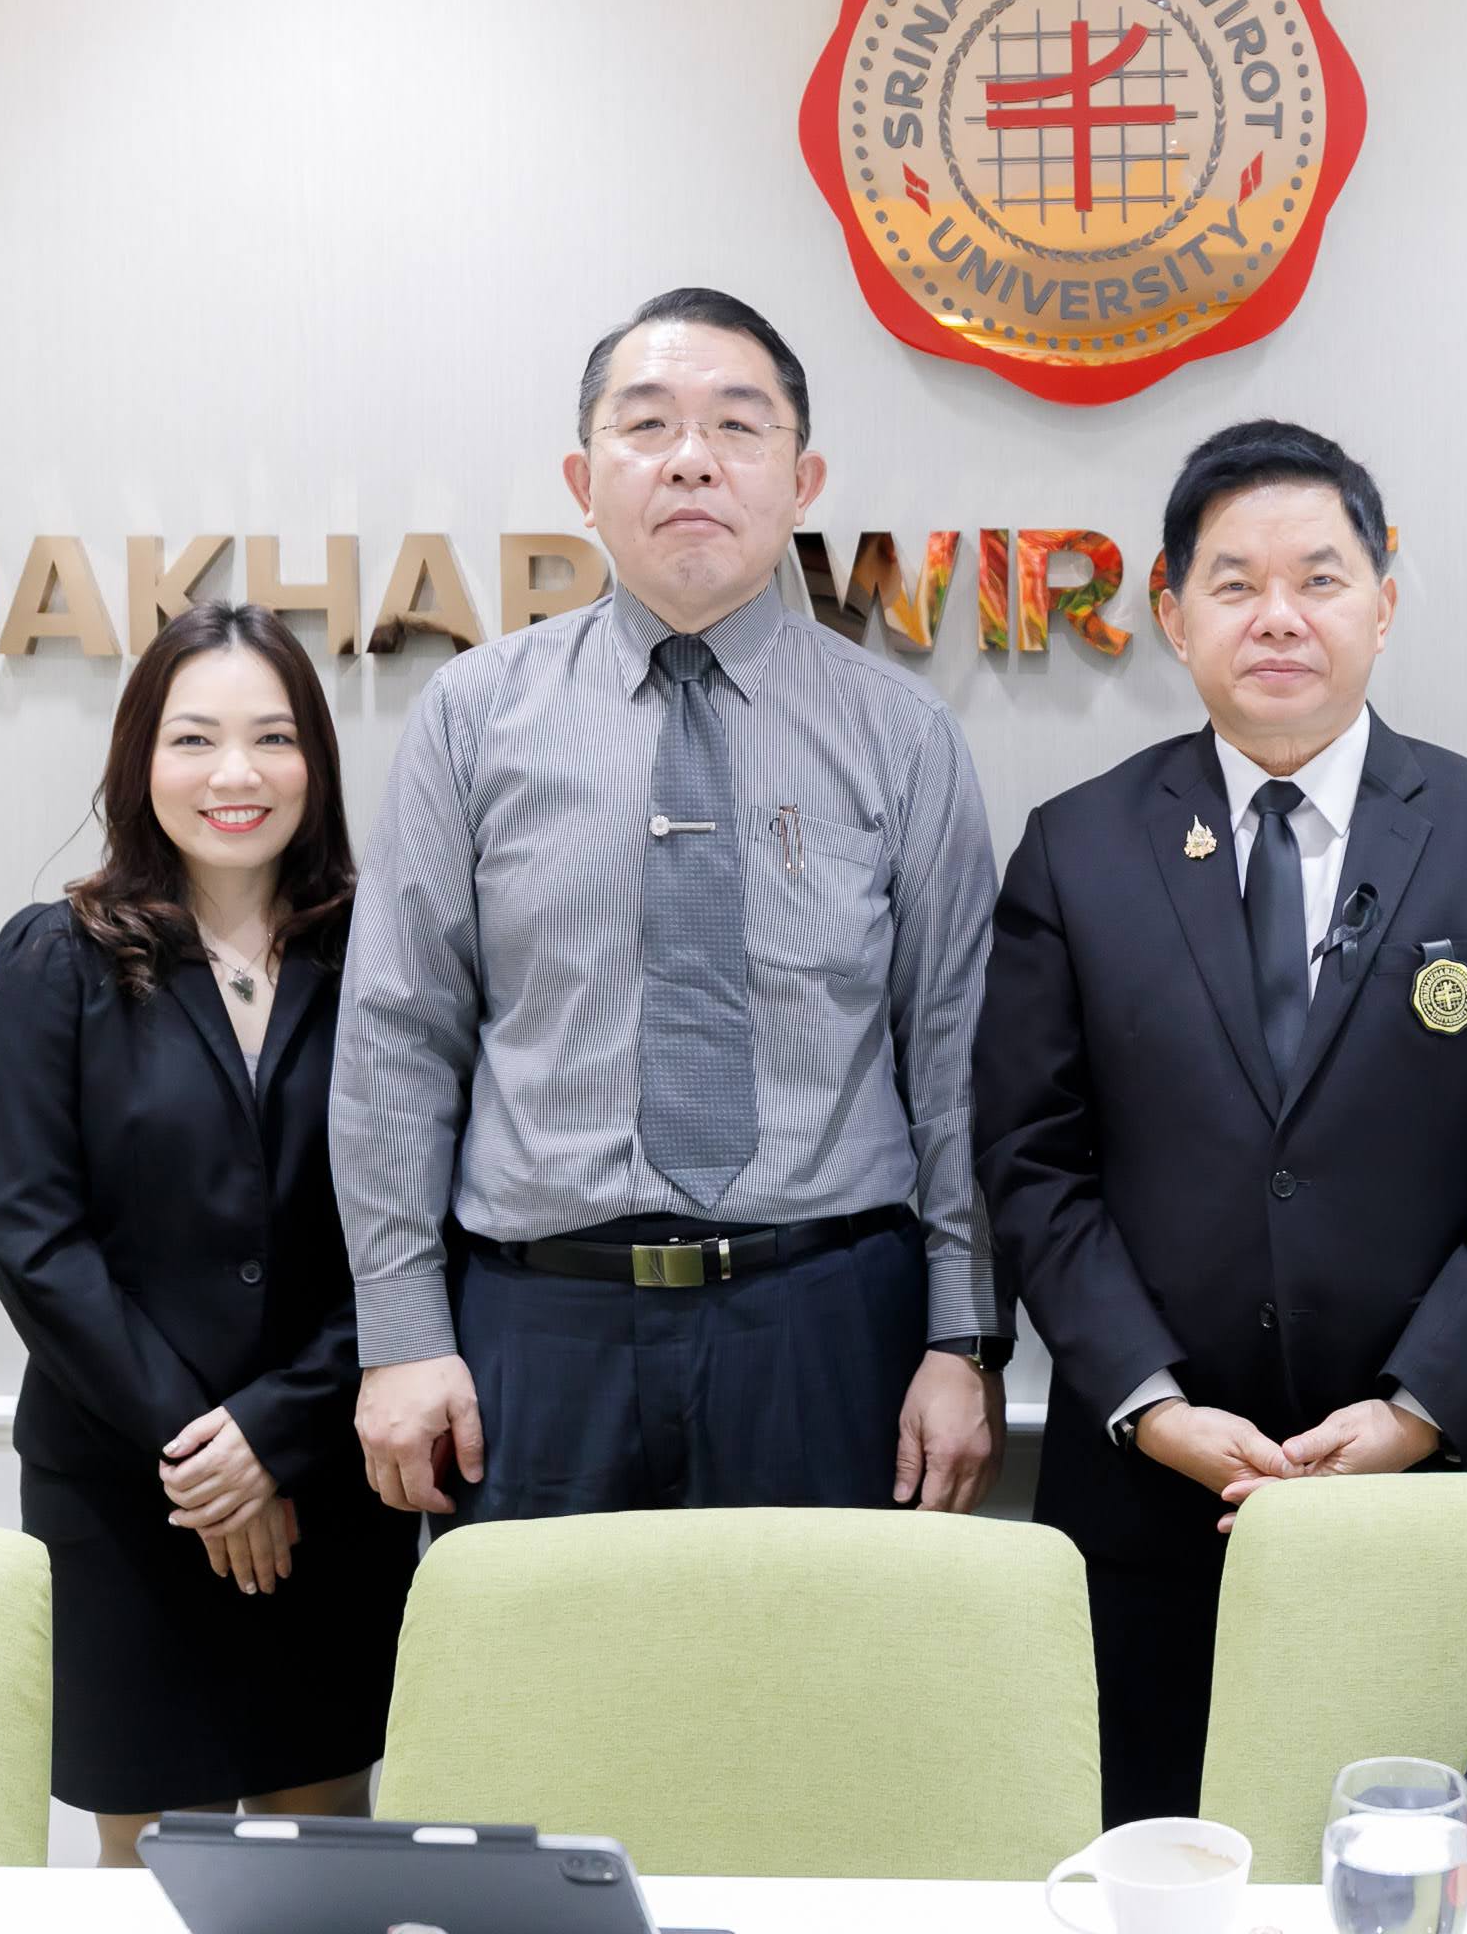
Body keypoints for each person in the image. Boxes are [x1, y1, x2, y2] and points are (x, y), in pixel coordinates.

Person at [978, 419, 1467, 1825]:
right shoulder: (1076, 847)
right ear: (1170, 614)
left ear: (1384, 602)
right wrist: (1152, 1407)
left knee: (1431, 1861)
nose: (1278, 617)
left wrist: (1416, 1409)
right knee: (1160, 1859)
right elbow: (1032, 1162)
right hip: (1152, 1496)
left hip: (1433, 1484)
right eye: (1235, 582)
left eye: (1320, 578)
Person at [334, 288, 1006, 1524]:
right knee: (537, 1656)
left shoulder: (904, 737)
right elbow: (395, 1041)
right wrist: (401, 1330)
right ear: (583, 482)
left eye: (737, 426)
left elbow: (956, 1055)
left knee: (820, 1651)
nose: (692, 458)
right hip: (537, 1330)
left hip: (824, 1322)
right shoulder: (473, 721)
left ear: (801, 483)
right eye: (647, 425)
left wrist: (962, 1339)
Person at [0, 602, 417, 1863]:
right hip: (126, 1490)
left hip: (331, 1479)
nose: (236, 773)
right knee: (153, 1865)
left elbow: (416, 1215)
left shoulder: (388, 955)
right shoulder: (54, 957)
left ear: (315, 762)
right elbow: (31, 1236)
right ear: (141, 758)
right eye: (195, 738)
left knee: (324, 1857)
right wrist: (202, 1456)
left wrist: (276, 1435)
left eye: (273, 738)